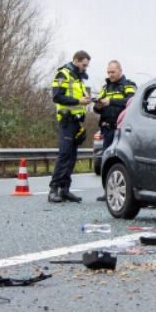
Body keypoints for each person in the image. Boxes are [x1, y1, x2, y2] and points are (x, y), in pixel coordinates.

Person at [49, 50, 93, 203]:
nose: (85, 68)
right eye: (84, 65)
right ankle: (53, 189)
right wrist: (79, 101)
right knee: (65, 154)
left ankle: (65, 190)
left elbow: (77, 98)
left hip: (76, 121)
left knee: (72, 156)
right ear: (76, 61)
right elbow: (57, 96)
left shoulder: (78, 78)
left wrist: (86, 100)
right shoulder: (63, 74)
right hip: (66, 121)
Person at [93, 61, 136, 201]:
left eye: (113, 72)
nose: (110, 75)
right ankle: (108, 191)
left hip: (121, 129)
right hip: (107, 128)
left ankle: (124, 191)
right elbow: (97, 109)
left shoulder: (128, 85)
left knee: (120, 161)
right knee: (107, 160)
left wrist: (110, 102)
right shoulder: (105, 88)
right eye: (108, 72)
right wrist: (98, 106)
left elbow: (131, 101)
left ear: (120, 71)